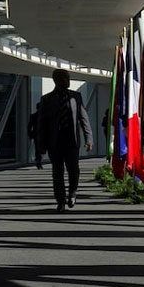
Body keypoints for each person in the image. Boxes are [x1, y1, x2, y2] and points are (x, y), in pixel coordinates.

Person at [36, 69, 93, 212]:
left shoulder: (76, 96)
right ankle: (60, 201)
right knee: (57, 172)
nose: (68, 80)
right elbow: (41, 124)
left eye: (69, 78)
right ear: (57, 80)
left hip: (71, 141)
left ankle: (72, 192)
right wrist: (40, 147)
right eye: (66, 78)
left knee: (74, 170)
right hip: (54, 142)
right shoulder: (47, 99)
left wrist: (89, 138)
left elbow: (83, 118)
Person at [26, 102, 43, 170]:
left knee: (38, 149)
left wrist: (30, 135)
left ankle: (38, 161)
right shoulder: (44, 116)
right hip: (41, 134)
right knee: (39, 149)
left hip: (36, 134)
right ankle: (38, 161)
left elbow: (29, 127)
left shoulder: (33, 116)